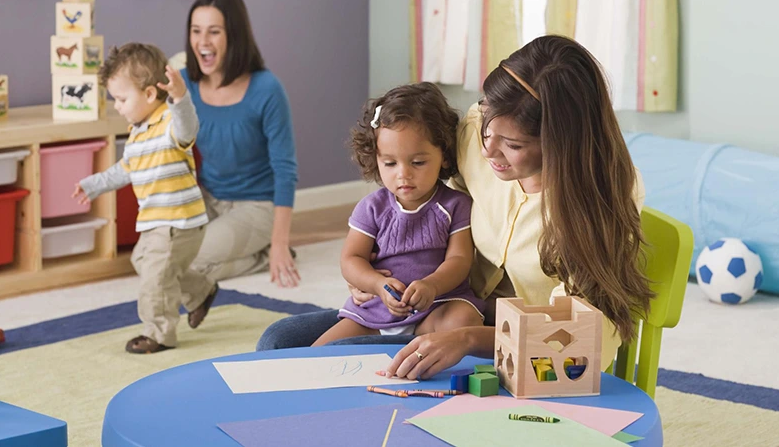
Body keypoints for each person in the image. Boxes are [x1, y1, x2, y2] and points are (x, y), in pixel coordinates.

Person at [258, 35, 651, 380]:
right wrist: (370, 274)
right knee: (279, 340)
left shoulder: (601, 197)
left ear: (560, 145)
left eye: (512, 145)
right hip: (444, 308)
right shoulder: (477, 134)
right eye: (488, 128)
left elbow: (579, 336)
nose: (488, 150)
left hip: (525, 348)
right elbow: (427, 198)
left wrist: (466, 339)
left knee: (332, 360)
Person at [312, 83, 485, 346]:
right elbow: (351, 259)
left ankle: (420, 346)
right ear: (375, 158)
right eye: (390, 163)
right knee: (318, 353)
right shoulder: (372, 207)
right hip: (374, 315)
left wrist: (432, 285)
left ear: (444, 155)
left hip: (437, 307)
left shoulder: (456, 204)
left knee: (464, 320)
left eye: (418, 162)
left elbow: (460, 259)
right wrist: (376, 285)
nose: (403, 174)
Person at [73, 43, 218, 354]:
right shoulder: (137, 133)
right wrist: (93, 184)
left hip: (177, 221)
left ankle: (159, 333)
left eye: (122, 99)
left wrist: (180, 98)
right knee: (143, 261)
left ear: (150, 94)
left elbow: (188, 127)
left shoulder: (169, 124)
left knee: (156, 278)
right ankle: (200, 291)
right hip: (156, 222)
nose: (117, 106)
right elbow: (124, 169)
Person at [182, 0, 300, 287]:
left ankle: (264, 253)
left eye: (214, 31)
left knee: (188, 262)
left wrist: (280, 243)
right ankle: (254, 254)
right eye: (196, 31)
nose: (202, 41)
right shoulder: (185, 85)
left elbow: (285, 171)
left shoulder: (267, 89)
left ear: (234, 35)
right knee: (154, 256)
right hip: (208, 199)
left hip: (257, 207)